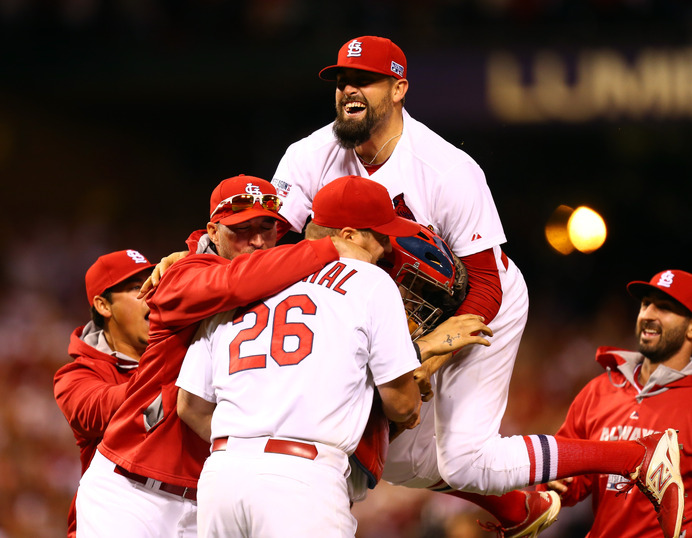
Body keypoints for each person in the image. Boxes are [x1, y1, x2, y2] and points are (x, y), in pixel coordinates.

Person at [271, 36, 685, 538]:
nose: (348, 90)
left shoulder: (445, 169)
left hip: (484, 302)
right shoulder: (309, 156)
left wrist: (432, 355)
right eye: (341, 81)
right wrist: (201, 252)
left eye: (364, 80)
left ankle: (635, 458)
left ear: (399, 88)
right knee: (387, 452)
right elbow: (270, 245)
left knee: (466, 460)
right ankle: (519, 508)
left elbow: (486, 282)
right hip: (401, 313)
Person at [75, 175, 363, 537]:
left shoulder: (284, 280)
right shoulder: (182, 274)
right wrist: (327, 248)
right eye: (241, 229)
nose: (257, 241)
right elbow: (234, 283)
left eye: (267, 227)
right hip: (132, 490)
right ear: (213, 230)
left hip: (209, 496)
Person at [175, 174, 426, 537]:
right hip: (302, 479)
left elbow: (190, 406)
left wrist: (250, 441)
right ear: (350, 235)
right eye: (382, 237)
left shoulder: (238, 280)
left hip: (221, 477)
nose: (388, 249)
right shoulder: (369, 281)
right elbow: (402, 405)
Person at [537, 269, 692, 537]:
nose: (648, 314)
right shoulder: (599, 391)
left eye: (664, 308)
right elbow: (570, 482)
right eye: (645, 304)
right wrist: (559, 482)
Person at [54, 249, 155, 538]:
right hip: (112, 517)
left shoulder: (180, 350)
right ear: (103, 305)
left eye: (153, 283)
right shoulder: (75, 376)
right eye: (137, 288)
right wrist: (170, 368)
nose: (151, 293)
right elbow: (99, 410)